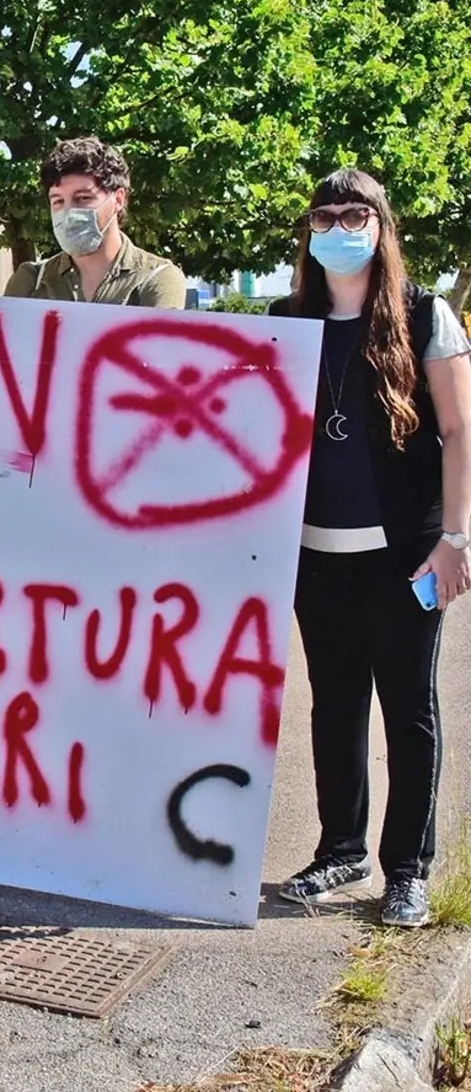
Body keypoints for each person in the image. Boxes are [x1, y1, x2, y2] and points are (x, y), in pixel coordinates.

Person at [271, 169, 471, 928]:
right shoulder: (287, 318)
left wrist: (456, 538)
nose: (340, 227)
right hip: (315, 554)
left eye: (356, 214)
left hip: (406, 554)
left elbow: (460, 432)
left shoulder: (427, 317)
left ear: (383, 226)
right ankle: (340, 847)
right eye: (325, 215)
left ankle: (407, 870)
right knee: (335, 703)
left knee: (408, 708)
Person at [4, 136, 187, 307]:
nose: (68, 212)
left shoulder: (156, 277)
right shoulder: (30, 280)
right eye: (58, 201)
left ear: (118, 199)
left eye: (83, 198)